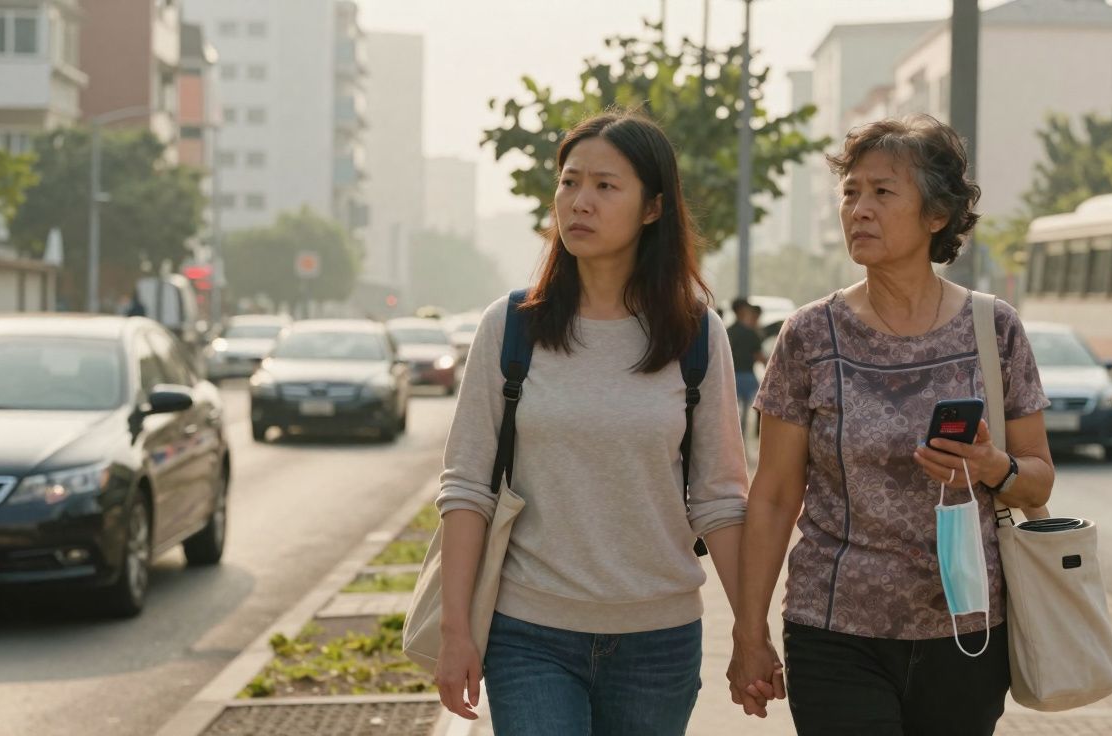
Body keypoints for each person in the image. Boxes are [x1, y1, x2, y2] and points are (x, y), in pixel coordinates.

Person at [728, 114, 1056, 735]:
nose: (860, 209)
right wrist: (750, 629)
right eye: (851, 192)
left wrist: (992, 467)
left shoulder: (995, 328)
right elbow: (771, 496)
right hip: (833, 628)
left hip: (965, 630)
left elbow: (1037, 481)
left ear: (937, 215)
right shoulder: (808, 335)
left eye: (883, 192)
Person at [434, 110, 750, 735]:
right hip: (529, 632)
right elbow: (467, 486)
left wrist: (751, 630)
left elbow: (718, 498)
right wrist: (455, 633)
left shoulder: (695, 334)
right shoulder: (512, 326)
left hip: (658, 639)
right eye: (570, 182)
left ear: (653, 208)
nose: (580, 202)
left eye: (606, 186)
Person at [726, 297, 766, 436]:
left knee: (733, 415)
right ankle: (742, 442)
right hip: (748, 378)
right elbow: (759, 356)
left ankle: (733, 438)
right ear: (742, 310)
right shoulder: (751, 333)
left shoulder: (728, 331)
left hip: (731, 378)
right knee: (746, 417)